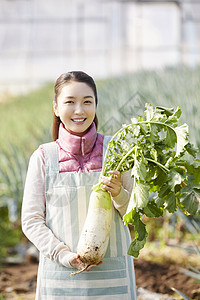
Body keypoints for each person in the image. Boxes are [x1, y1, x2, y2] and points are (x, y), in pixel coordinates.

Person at [21, 71, 137, 299]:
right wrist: (63, 255)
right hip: (60, 276)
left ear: (96, 105)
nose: (79, 110)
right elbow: (31, 220)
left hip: (112, 277)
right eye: (70, 102)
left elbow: (138, 215)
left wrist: (120, 195)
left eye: (87, 102)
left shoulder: (117, 152)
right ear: (56, 108)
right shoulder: (44, 156)